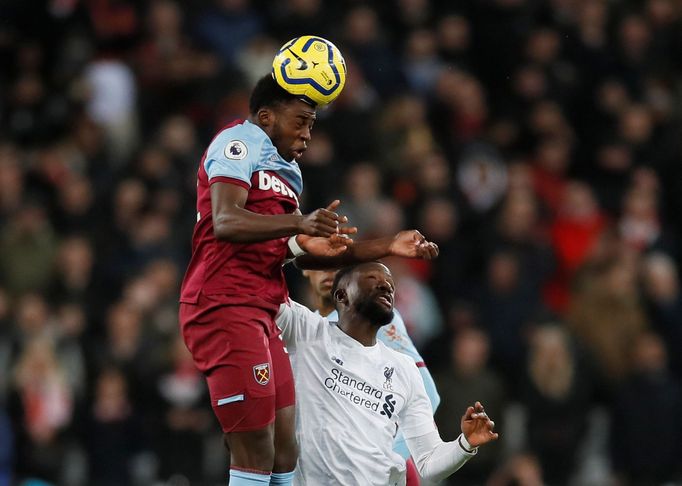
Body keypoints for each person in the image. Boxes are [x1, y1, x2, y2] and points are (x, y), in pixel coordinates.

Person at [178, 72, 439, 486]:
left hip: (264, 307)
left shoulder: (290, 175)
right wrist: (299, 223)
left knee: (286, 451)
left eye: (312, 126)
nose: (306, 135)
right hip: (223, 303)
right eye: (299, 121)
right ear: (266, 117)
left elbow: (298, 251)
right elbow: (225, 221)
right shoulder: (239, 141)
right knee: (255, 449)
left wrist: (388, 244)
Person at [276, 262, 499, 485]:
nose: (386, 286)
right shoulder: (306, 332)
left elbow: (429, 463)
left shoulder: (404, 368)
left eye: (390, 285)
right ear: (342, 295)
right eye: (372, 279)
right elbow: (258, 291)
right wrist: (292, 247)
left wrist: (465, 444)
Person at [303, 268, 441, 485]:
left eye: (339, 264)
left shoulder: (378, 321)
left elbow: (428, 395)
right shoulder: (301, 330)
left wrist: (379, 464)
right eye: (322, 262)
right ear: (305, 267)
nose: (330, 272)